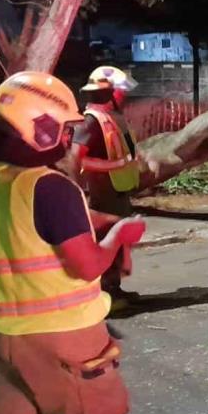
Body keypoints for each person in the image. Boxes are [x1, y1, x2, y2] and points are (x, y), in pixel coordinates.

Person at [0, 71, 146, 414]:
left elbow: (32, 227)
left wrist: (92, 221)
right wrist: (118, 236)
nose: (68, 139)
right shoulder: (53, 188)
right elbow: (86, 262)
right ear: (40, 127)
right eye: (64, 129)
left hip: (6, 342)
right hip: (69, 346)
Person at [73, 65, 142, 310]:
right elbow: (78, 158)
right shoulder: (90, 122)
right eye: (120, 91)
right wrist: (115, 164)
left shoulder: (111, 118)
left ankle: (114, 288)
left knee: (119, 239)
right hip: (105, 192)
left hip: (118, 189)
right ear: (108, 93)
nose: (123, 95)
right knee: (107, 239)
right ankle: (104, 295)